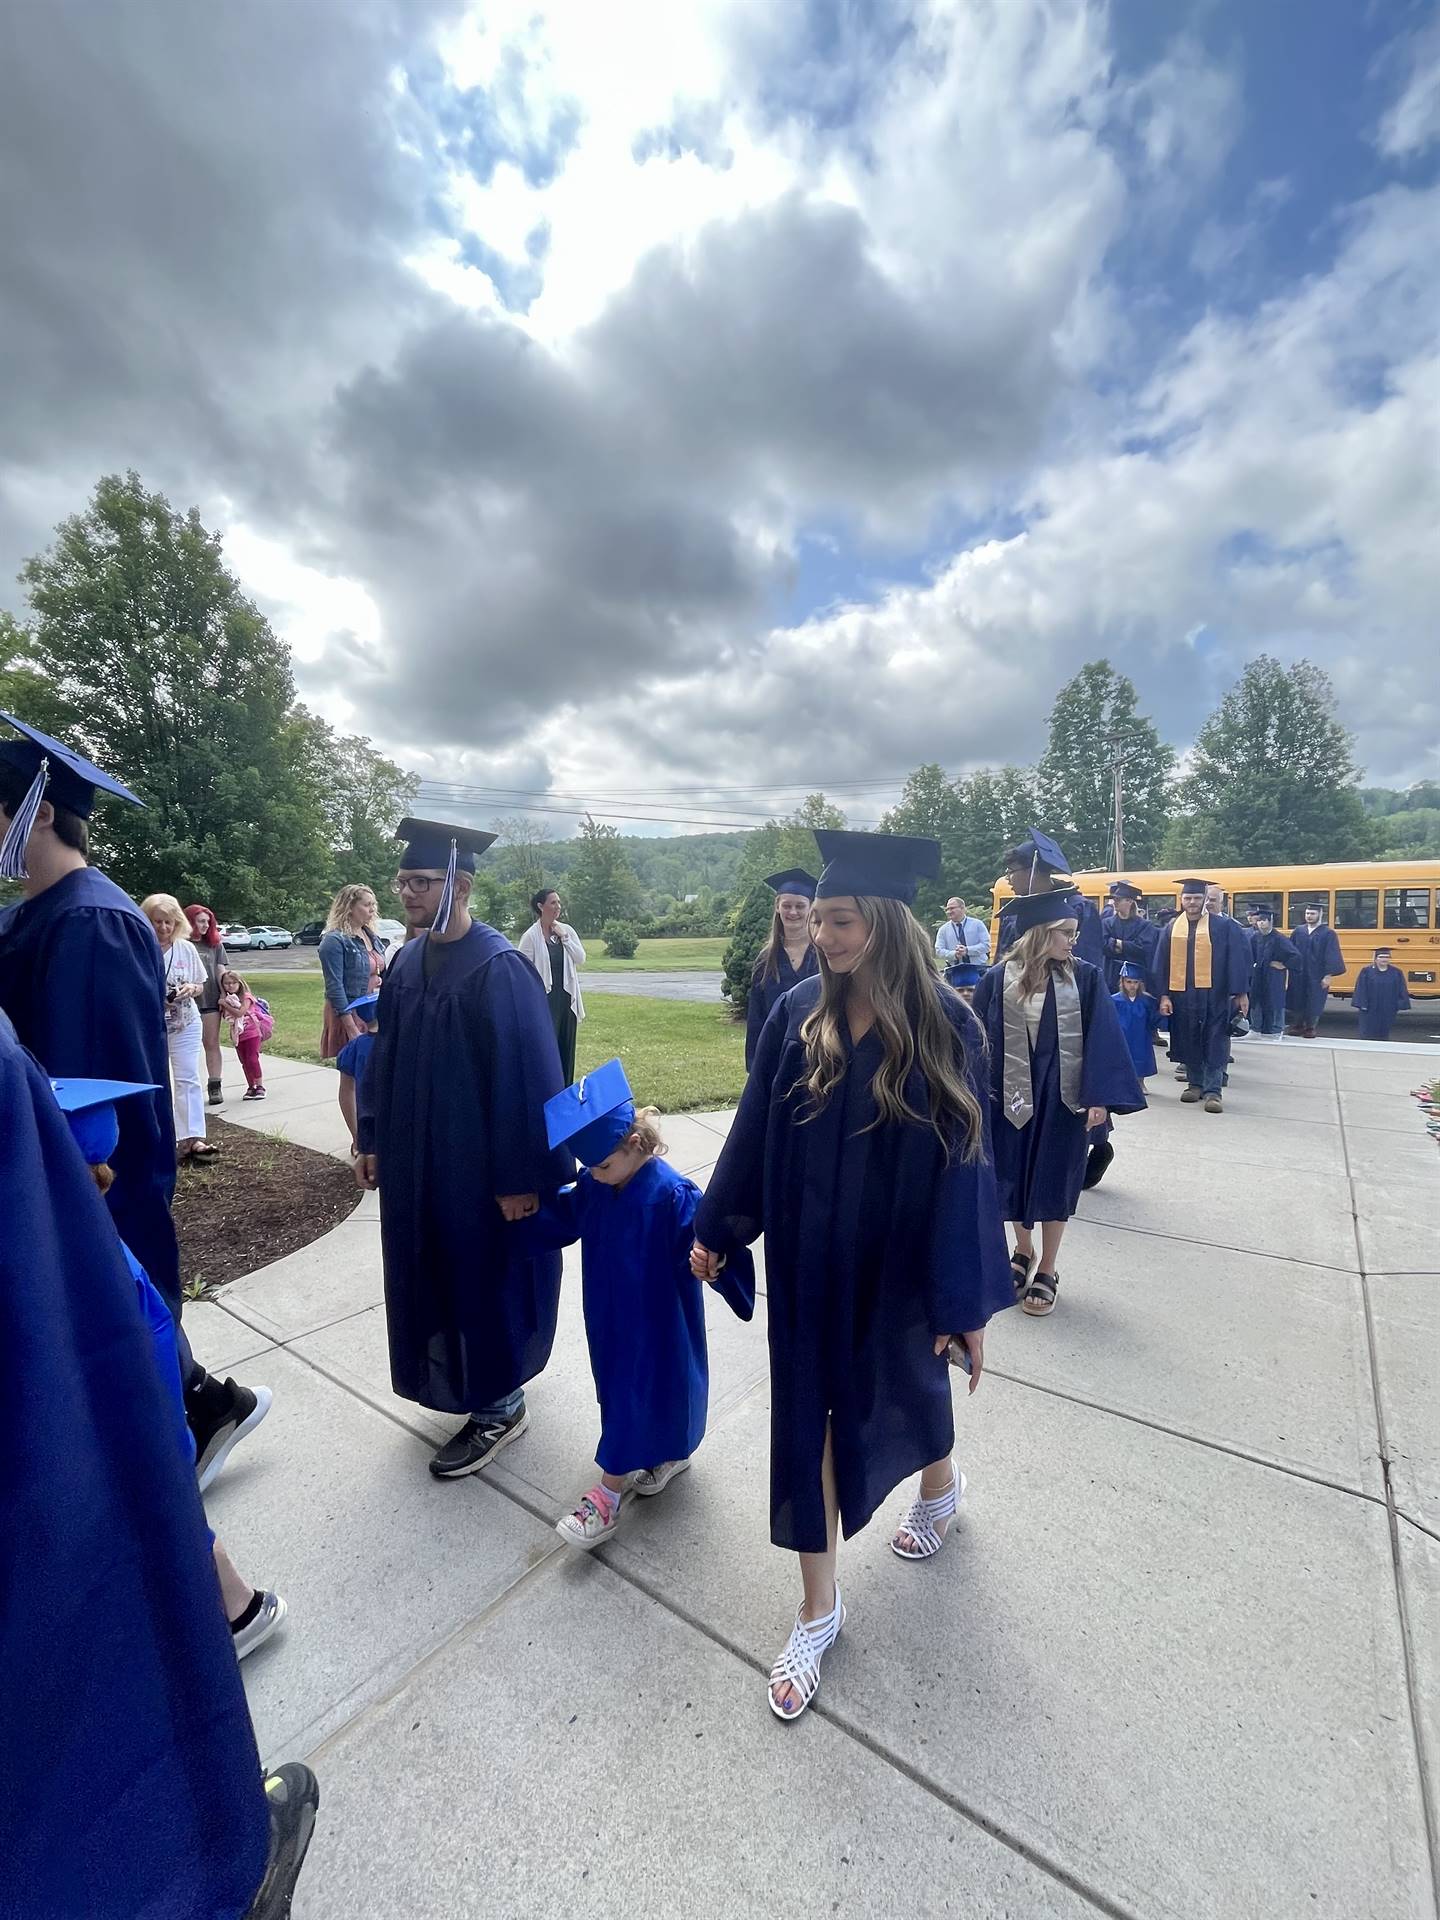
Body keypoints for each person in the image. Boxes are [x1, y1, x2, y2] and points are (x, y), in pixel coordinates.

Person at [691, 830, 1015, 1723]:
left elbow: (967, 1165)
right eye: (821, 920)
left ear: (884, 923)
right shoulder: (799, 1010)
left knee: (906, 1385)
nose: (822, 936)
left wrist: (962, 1301)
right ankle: (817, 1607)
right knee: (813, 1422)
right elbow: (754, 1129)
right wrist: (718, 1225)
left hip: (898, 1266)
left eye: (840, 921)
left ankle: (941, 1490)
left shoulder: (951, 1025)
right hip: (806, 1259)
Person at [0, 1012, 318, 1920]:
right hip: (140, 1468)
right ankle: (243, 1612)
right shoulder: (98, 1263)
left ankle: (244, 1611)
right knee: (182, 1546)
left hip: (145, 1462)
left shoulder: (84, 1273)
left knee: (183, 1544)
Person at [0, 715, 271, 1483]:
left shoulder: (92, 918)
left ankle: (192, 1421)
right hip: (46, 1172)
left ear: (40, 811)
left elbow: (94, 1090)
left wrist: (81, 1191)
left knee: (115, 1328)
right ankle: (200, 1407)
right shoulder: (37, 913)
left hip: (90, 1178)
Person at [356, 818, 572, 1479]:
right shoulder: (410, 962)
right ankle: (463, 1383)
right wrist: (370, 1136)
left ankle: (500, 1405)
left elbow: (529, 1079)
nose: (407, 894)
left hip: (479, 1173)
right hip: (420, 1162)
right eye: (402, 882)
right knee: (433, 1270)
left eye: (420, 882)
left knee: (483, 1277)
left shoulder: (499, 967)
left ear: (461, 884)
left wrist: (522, 1177)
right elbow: (382, 1057)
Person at [51, 1075, 287, 1661]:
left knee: (156, 1523)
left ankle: (231, 1613)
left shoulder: (94, 1270)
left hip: (136, 1432)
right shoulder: (89, 1246)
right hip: (144, 1430)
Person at [526, 1059, 756, 1548]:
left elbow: (712, 1247)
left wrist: (710, 1263)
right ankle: (668, 1453)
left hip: (657, 1321)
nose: (596, 1176)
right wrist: (525, 1213)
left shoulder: (671, 1194)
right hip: (609, 1315)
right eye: (589, 1168)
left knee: (642, 1388)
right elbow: (565, 1214)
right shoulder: (597, 1184)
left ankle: (605, 1500)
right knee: (626, 1391)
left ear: (636, 1144)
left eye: (604, 1165)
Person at [971, 893, 1145, 1317]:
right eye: (1065, 934)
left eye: (1074, 933)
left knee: (1055, 1176)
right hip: (1008, 1095)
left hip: (1063, 1098)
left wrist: (1098, 1097)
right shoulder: (998, 977)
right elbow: (974, 1037)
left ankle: (1048, 1267)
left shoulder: (1083, 978)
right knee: (1010, 1173)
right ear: (1039, 934)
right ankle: (1022, 1250)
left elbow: (1102, 1035)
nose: (1073, 941)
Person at [1151, 879, 1252, 1112]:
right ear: (1182, 900)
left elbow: (1237, 960)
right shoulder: (1171, 929)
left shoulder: (1223, 927)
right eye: (1188, 898)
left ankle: (1213, 1091)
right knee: (1189, 1038)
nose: (1192, 902)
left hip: (1215, 996)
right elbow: (1161, 963)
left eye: (1197, 898)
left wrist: (1240, 992)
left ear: (1205, 899)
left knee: (1215, 1041)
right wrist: (1163, 995)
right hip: (1183, 997)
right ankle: (1194, 1085)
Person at [142, 892, 217, 1164]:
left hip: (185, 1022)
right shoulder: (138, 947)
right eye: (157, 921)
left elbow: (200, 982)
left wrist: (190, 989)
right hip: (150, 1026)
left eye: (168, 922)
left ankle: (193, 1137)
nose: (163, 928)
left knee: (188, 1078)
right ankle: (160, 1137)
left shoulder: (185, 948)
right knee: (156, 1080)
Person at [745, 868, 820, 1070]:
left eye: (800, 906)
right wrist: (755, 1065)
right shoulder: (766, 960)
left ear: (811, 908)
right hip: (774, 1055)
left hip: (819, 1054)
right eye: (787, 905)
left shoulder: (825, 955)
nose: (793, 912)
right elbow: (756, 1017)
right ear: (777, 907)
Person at [997, 828, 1104, 968]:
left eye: (1011, 871)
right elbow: (1001, 964)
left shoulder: (1079, 908)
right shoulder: (1015, 912)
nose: (1008, 879)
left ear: (1032, 870)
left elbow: (1089, 965)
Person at [517, 887, 587, 1082]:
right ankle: (548, 1090)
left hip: (566, 999)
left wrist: (564, 937)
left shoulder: (567, 931)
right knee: (548, 1050)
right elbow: (521, 970)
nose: (557, 907)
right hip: (545, 1001)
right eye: (553, 903)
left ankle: (566, 1092)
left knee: (567, 1047)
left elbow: (580, 958)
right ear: (541, 906)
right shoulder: (531, 936)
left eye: (559, 903)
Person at [318, 882, 385, 1060]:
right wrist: (350, 1027)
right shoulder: (334, 941)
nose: (372, 909)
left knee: (370, 1069)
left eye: (373, 905)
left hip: (372, 1010)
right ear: (349, 908)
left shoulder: (371, 936)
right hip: (349, 1012)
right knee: (351, 1073)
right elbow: (334, 986)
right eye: (366, 905)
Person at [186, 903, 230, 1106]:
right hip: (185, 1003)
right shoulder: (181, 944)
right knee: (187, 1047)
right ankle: (188, 1088)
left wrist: (225, 995)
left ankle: (215, 1086)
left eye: (208, 922)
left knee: (211, 1043)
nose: (205, 925)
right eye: (201, 921)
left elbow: (220, 971)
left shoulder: (214, 945)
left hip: (210, 1001)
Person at [1287, 904, 1344, 1038]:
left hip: (1317, 974)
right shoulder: (1299, 931)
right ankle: (1297, 1025)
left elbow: (1332, 954)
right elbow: (1291, 951)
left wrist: (1328, 975)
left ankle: (1310, 1027)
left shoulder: (1328, 933)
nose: (1309, 916)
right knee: (1297, 997)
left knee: (1314, 1000)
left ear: (1320, 915)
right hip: (1299, 973)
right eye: (1307, 913)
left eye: (1312, 913)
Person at [335, 989, 379, 1155]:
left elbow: (346, 1091)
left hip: (365, 1115)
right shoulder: (397, 1045)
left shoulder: (353, 1047)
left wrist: (356, 1136)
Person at [218, 966, 272, 1100]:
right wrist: (224, 1003)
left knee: (252, 1059)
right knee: (244, 1061)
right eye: (227, 983)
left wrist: (224, 1004)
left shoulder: (247, 997)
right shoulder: (229, 999)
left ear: (240, 983)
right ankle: (251, 1086)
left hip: (252, 1032)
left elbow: (240, 1012)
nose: (230, 986)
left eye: (233, 983)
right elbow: (227, 1017)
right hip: (237, 1035)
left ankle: (260, 1086)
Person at [1248, 907, 1299, 1041]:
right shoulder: (1255, 937)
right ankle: (1255, 1028)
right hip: (1258, 974)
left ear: (1270, 921)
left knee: (1275, 1000)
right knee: (1256, 1000)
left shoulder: (1279, 938)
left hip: (1273, 975)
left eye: (1264, 920)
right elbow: (1249, 954)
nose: (1261, 923)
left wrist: (1283, 964)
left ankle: (1277, 1029)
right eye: (1259, 921)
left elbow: (1295, 956)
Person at [1100, 881, 1159, 992]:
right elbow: (1103, 945)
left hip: (1136, 977)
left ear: (1130, 901)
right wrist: (1128, 946)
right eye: (1114, 900)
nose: (1115, 903)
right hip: (1111, 975)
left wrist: (1116, 944)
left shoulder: (1144, 925)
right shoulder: (1106, 923)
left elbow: (1142, 948)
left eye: (1118, 900)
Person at [1111, 961, 1162, 1082]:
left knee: (1141, 1058)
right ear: (1122, 982)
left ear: (1140, 983)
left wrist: (1161, 1016)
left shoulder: (1147, 1001)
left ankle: (1141, 1083)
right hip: (1122, 1036)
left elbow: (1154, 1019)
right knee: (1122, 1058)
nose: (1132, 985)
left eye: (1135, 982)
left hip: (1141, 1036)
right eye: (1128, 982)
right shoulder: (1114, 1000)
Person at [1354, 948, 1411, 1041]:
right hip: (1370, 1008)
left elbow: (1402, 988)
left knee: (1384, 1032)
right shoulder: (1366, 971)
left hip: (1388, 1007)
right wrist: (1362, 1004)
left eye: (1387, 957)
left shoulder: (1396, 972)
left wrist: (1399, 1004)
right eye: (1381, 957)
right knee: (1367, 1032)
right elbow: (1361, 988)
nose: (1384, 959)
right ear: (1375, 959)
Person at [934, 895, 990, 984]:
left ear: (963, 908)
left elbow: (986, 946)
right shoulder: (943, 930)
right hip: (954, 971)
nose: (949, 912)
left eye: (952, 908)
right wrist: (954, 954)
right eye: (947, 909)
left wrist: (967, 950)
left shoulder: (978, 924)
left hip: (978, 969)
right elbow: (939, 951)